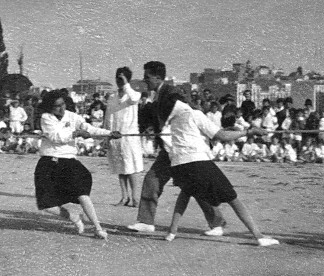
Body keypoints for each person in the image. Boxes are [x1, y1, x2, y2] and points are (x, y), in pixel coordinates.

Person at [157, 92, 279, 246]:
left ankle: (172, 232)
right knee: (233, 198)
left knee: (185, 193)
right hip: (197, 161)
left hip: (178, 165)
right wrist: (248, 132)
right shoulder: (194, 114)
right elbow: (221, 135)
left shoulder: (173, 120)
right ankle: (259, 236)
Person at [126, 61, 227, 236]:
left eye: (147, 77)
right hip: (168, 151)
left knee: (196, 186)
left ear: (158, 77)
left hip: (183, 150)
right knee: (152, 181)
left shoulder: (172, 94)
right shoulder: (157, 95)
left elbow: (186, 114)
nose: (145, 80)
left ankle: (217, 223)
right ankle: (146, 221)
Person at [36, 89, 120, 239]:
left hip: (68, 161)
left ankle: (98, 228)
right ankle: (74, 217)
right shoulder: (46, 118)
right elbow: (56, 137)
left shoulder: (72, 116)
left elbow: (89, 128)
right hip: (49, 161)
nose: (61, 108)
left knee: (82, 193)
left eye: (62, 104)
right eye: (56, 106)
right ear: (50, 107)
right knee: (46, 205)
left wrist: (109, 133)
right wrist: (75, 134)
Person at [103, 67, 144, 207]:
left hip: (129, 137)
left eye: (121, 78)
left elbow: (133, 98)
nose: (118, 81)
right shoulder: (112, 97)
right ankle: (124, 197)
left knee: (131, 168)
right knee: (120, 168)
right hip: (115, 136)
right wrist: (107, 135)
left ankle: (135, 198)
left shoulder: (134, 94)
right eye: (117, 78)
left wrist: (126, 83)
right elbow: (108, 116)